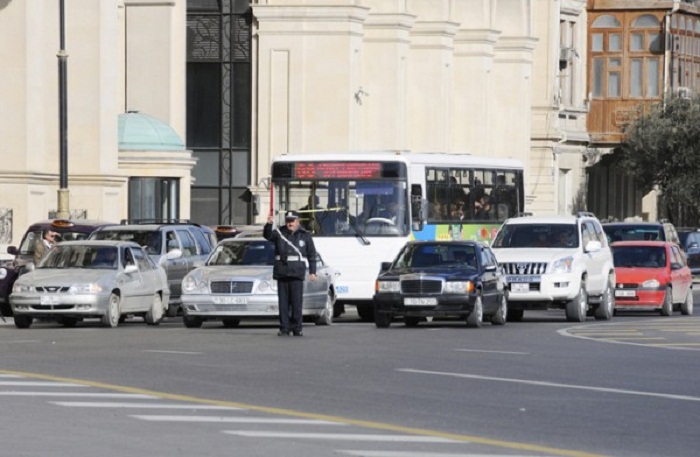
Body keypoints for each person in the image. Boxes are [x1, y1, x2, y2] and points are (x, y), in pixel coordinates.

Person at [263, 211, 317, 337]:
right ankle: (284, 328)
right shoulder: (279, 233)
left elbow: (311, 254)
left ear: (297, 221)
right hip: (282, 272)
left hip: (297, 273)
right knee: (283, 303)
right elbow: (267, 236)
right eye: (288, 221)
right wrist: (269, 224)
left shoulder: (305, 236)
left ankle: (297, 328)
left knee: (297, 303)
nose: (290, 223)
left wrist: (313, 271)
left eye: (292, 221)